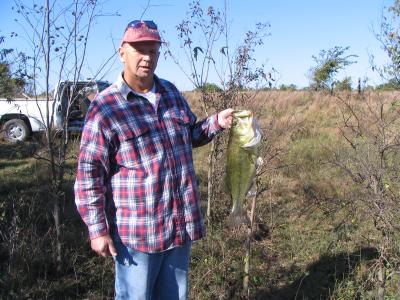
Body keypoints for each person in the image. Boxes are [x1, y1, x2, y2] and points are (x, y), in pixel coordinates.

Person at [74, 20, 233, 300]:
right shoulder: (106, 107)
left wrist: (216, 122)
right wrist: (97, 230)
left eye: (153, 50)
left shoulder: (170, 93)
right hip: (137, 237)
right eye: (139, 49)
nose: (147, 57)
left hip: (179, 228)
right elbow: (89, 174)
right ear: (122, 52)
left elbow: (190, 135)